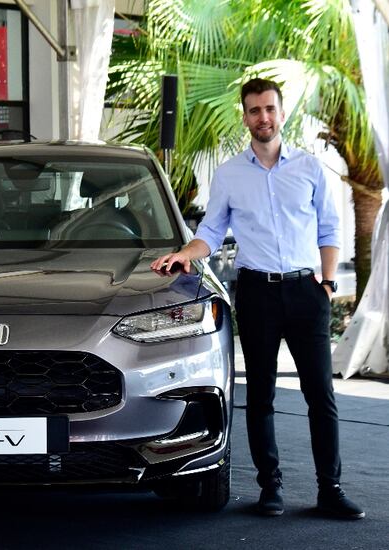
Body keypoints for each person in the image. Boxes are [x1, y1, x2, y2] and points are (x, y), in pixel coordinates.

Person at [150, 78, 364, 520]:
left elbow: (330, 229)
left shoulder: (309, 168)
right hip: (257, 293)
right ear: (244, 116)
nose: (262, 117)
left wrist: (326, 283)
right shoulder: (229, 175)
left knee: (320, 395)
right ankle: (271, 488)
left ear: (281, 114)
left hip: (306, 293)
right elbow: (209, 232)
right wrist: (183, 254)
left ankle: (331, 489)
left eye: (269, 109)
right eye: (254, 110)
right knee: (261, 394)